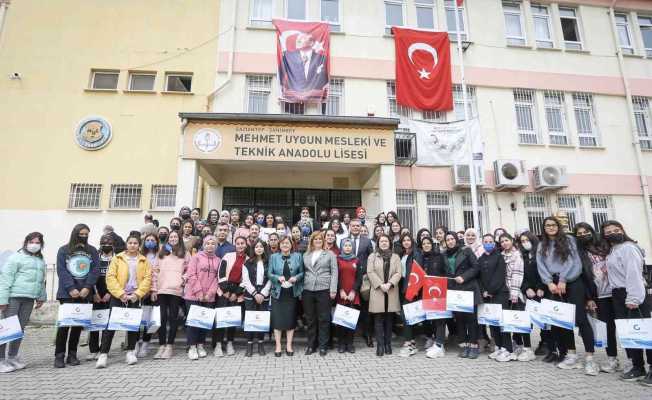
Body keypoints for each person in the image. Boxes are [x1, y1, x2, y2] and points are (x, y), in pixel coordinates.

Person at [536, 217, 597, 375]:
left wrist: (563, 279)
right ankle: (571, 355)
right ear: (544, 228)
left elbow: (573, 261)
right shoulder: (542, 244)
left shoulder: (569, 239)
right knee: (562, 320)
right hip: (553, 284)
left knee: (580, 319)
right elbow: (540, 264)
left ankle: (590, 358)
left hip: (572, 281)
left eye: (553, 225)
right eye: (547, 225)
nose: (551, 227)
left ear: (558, 226)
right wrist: (548, 282)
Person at [601, 220, 652, 384]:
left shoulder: (629, 248)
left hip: (631, 293)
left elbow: (633, 274)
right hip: (617, 294)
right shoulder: (613, 250)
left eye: (615, 229)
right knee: (629, 334)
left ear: (622, 230)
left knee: (644, 333)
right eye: (607, 232)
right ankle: (638, 367)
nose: (612, 233)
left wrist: (634, 298)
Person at [95, 234, 152, 368]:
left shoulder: (144, 260)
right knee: (111, 326)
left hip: (134, 297)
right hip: (119, 296)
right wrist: (120, 294)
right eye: (130, 243)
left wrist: (137, 294)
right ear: (126, 244)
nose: (133, 245)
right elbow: (110, 277)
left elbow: (147, 279)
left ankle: (131, 352)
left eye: (135, 243)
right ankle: (103, 354)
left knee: (132, 326)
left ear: (139, 245)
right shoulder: (118, 258)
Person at [574, 222, 619, 373]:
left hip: (618, 291)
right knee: (608, 329)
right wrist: (589, 298)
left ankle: (635, 361)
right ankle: (612, 359)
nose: (583, 236)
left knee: (626, 326)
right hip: (600, 295)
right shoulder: (579, 254)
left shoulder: (605, 246)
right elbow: (583, 278)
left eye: (585, 232)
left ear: (592, 232)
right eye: (579, 234)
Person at [54, 224, 100, 368]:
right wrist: (71, 288)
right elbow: (62, 271)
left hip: (84, 293)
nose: (84, 236)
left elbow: (95, 270)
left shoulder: (92, 251)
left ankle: (72, 354)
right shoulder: (63, 250)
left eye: (86, 234)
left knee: (77, 326)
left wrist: (87, 287)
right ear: (75, 233)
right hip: (67, 293)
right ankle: (59, 355)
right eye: (81, 234)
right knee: (64, 326)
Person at [0, 232, 46, 373]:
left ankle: (12, 357)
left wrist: (41, 297)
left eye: (38, 242)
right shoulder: (16, 258)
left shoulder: (40, 260)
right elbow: (5, 279)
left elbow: (41, 281)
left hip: (29, 299)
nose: (34, 244)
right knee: (7, 329)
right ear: (26, 242)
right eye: (32, 241)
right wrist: (2, 300)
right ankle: (1, 360)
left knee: (19, 329)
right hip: (13, 298)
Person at [435, 231, 481, 359]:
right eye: (448, 239)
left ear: (456, 239)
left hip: (468, 288)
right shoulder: (443, 255)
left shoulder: (466, 251)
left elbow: (476, 267)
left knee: (471, 320)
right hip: (454, 291)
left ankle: (473, 346)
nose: (450, 241)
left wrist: (464, 277)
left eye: (452, 239)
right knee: (459, 320)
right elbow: (443, 272)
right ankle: (464, 346)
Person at [150, 229, 190, 360]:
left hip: (176, 290)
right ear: (168, 239)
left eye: (175, 237)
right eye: (171, 237)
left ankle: (169, 346)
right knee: (161, 318)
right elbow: (155, 272)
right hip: (161, 290)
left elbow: (189, 270)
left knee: (173, 318)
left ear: (179, 239)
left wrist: (183, 280)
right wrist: (154, 289)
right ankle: (161, 345)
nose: (173, 239)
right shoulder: (161, 253)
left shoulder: (185, 253)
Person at [500, 233, 536, 362]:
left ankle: (528, 348)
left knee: (521, 320)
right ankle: (518, 346)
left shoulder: (517, 255)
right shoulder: (502, 255)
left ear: (511, 241)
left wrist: (514, 293)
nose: (504, 243)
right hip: (506, 292)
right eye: (502, 241)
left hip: (516, 293)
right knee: (512, 321)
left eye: (506, 240)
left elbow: (517, 274)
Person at [476, 234, 511, 362]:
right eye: (485, 241)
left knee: (502, 322)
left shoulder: (499, 257)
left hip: (499, 294)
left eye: (490, 241)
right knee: (492, 323)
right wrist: (484, 291)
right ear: (482, 243)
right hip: (487, 295)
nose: (488, 243)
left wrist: (491, 291)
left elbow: (500, 276)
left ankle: (508, 349)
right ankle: (499, 346)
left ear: (494, 243)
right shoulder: (481, 258)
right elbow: (479, 277)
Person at [302, 232, 338, 356]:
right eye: (315, 239)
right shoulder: (306, 254)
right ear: (311, 241)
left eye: (320, 239)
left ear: (323, 241)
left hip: (324, 289)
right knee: (310, 319)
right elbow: (304, 271)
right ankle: (311, 345)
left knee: (324, 319)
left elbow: (334, 273)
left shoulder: (330, 254)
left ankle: (323, 346)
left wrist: (333, 289)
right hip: (308, 289)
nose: (317, 240)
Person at [184, 235, 220, 360]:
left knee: (204, 322)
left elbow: (217, 278)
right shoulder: (196, 257)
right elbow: (191, 275)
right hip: (193, 295)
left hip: (209, 297)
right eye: (207, 243)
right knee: (194, 322)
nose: (210, 246)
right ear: (203, 245)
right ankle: (192, 346)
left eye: (213, 243)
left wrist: (209, 293)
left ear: (216, 246)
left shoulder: (218, 260)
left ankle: (200, 345)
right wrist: (199, 292)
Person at [367, 234, 401, 357]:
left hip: (391, 291)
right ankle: (380, 345)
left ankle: (388, 344)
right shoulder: (372, 256)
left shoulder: (395, 257)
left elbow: (398, 272)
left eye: (386, 241)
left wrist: (390, 284)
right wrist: (381, 285)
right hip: (378, 291)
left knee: (389, 320)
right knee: (378, 320)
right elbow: (370, 272)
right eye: (381, 241)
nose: (384, 243)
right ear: (378, 243)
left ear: (390, 243)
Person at [269, 236, 304, 357]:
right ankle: (278, 345)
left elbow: (302, 272)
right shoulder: (273, 257)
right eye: (283, 243)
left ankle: (289, 345)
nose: (285, 245)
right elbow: (269, 273)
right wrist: (277, 278)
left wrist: (297, 277)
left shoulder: (298, 256)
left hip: (291, 293)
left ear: (291, 245)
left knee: (290, 319)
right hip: (277, 293)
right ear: (279, 245)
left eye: (287, 243)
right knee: (277, 320)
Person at [518, 231, 551, 358]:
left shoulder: (542, 253)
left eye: (527, 240)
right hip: (529, 292)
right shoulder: (523, 256)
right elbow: (522, 275)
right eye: (522, 241)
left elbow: (546, 271)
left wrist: (541, 287)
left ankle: (547, 343)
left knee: (545, 320)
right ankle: (527, 347)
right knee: (530, 318)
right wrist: (526, 288)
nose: (525, 243)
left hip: (543, 290)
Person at [214, 236, 248, 357]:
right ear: (235, 245)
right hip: (224, 290)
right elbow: (221, 273)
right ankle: (218, 344)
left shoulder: (248, 259)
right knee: (221, 319)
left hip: (237, 292)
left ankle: (229, 343)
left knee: (232, 319)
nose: (240, 245)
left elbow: (246, 280)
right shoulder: (228, 256)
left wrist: (236, 293)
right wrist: (225, 290)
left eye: (242, 243)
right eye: (238, 243)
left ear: (246, 245)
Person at [87, 234, 115, 361]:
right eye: (104, 243)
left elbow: (119, 278)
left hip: (111, 295)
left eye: (109, 242)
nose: (106, 245)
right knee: (95, 323)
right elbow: (90, 276)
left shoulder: (117, 259)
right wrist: (95, 293)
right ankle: (93, 350)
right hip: (96, 295)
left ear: (113, 244)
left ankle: (104, 349)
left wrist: (110, 293)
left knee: (107, 324)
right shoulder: (95, 258)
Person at [241, 240, 271, 357]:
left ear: (264, 248)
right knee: (250, 320)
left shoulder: (268, 262)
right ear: (253, 249)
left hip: (264, 294)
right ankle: (249, 345)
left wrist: (263, 293)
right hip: (250, 295)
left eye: (261, 247)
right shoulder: (247, 263)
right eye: (256, 247)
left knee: (261, 320)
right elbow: (246, 281)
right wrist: (254, 293)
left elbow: (270, 279)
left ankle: (260, 344)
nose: (259, 249)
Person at [396, 233, 424, 357]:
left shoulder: (416, 253)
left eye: (408, 240)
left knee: (407, 315)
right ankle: (411, 341)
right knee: (407, 316)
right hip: (403, 288)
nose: (406, 242)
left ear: (412, 242)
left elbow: (418, 272)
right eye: (404, 240)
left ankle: (409, 344)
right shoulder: (403, 254)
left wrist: (414, 289)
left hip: (411, 289)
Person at [335, 239, 360, 354]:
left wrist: (353, 291)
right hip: (341, 294)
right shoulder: (337, 259)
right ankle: (341, 343)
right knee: (341, 320)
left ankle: (350, 344)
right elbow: (336, 277)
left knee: (351, 319)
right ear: (342, 247)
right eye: (345, 245)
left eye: (350, 245)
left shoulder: (357, 260)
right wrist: (340, 290)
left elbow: (359, 278)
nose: (348, 247)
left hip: (352, 294)